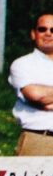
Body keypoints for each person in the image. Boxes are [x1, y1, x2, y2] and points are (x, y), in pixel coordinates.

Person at [8, 13, 53, 156]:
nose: (48, 34)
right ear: (33, 34)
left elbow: (46, 100)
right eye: (42, 29)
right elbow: (37, 97)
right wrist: (43, 98)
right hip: (39, 141)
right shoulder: (22, 64)